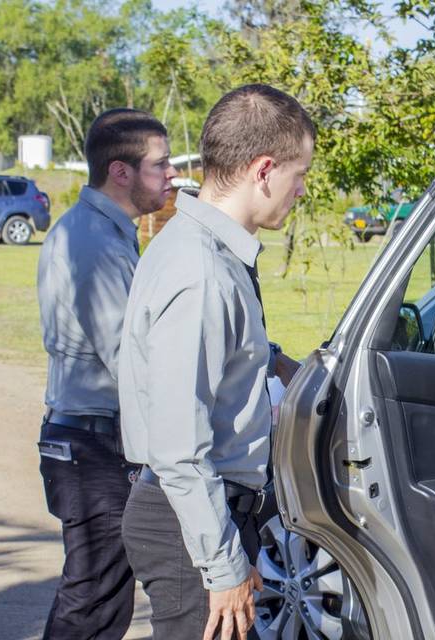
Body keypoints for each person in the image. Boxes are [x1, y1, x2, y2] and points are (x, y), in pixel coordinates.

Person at [118, 84, 309, 640]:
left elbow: (225, 354)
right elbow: (179, 449)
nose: (300, 191)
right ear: (265, 170)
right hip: (194, 522)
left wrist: (282, 366)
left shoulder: (206, 250)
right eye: (299, 175)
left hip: (207, 516)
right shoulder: (201, 272)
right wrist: (223, 565)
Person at [36, 108, 177, 638]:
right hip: (92, 447)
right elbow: (130, 357)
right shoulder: (92, 242)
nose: (171, 175)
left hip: (90, 440)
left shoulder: (104, 231)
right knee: (92, 602)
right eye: (159, 165)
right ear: (120, 172)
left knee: (100, 599)